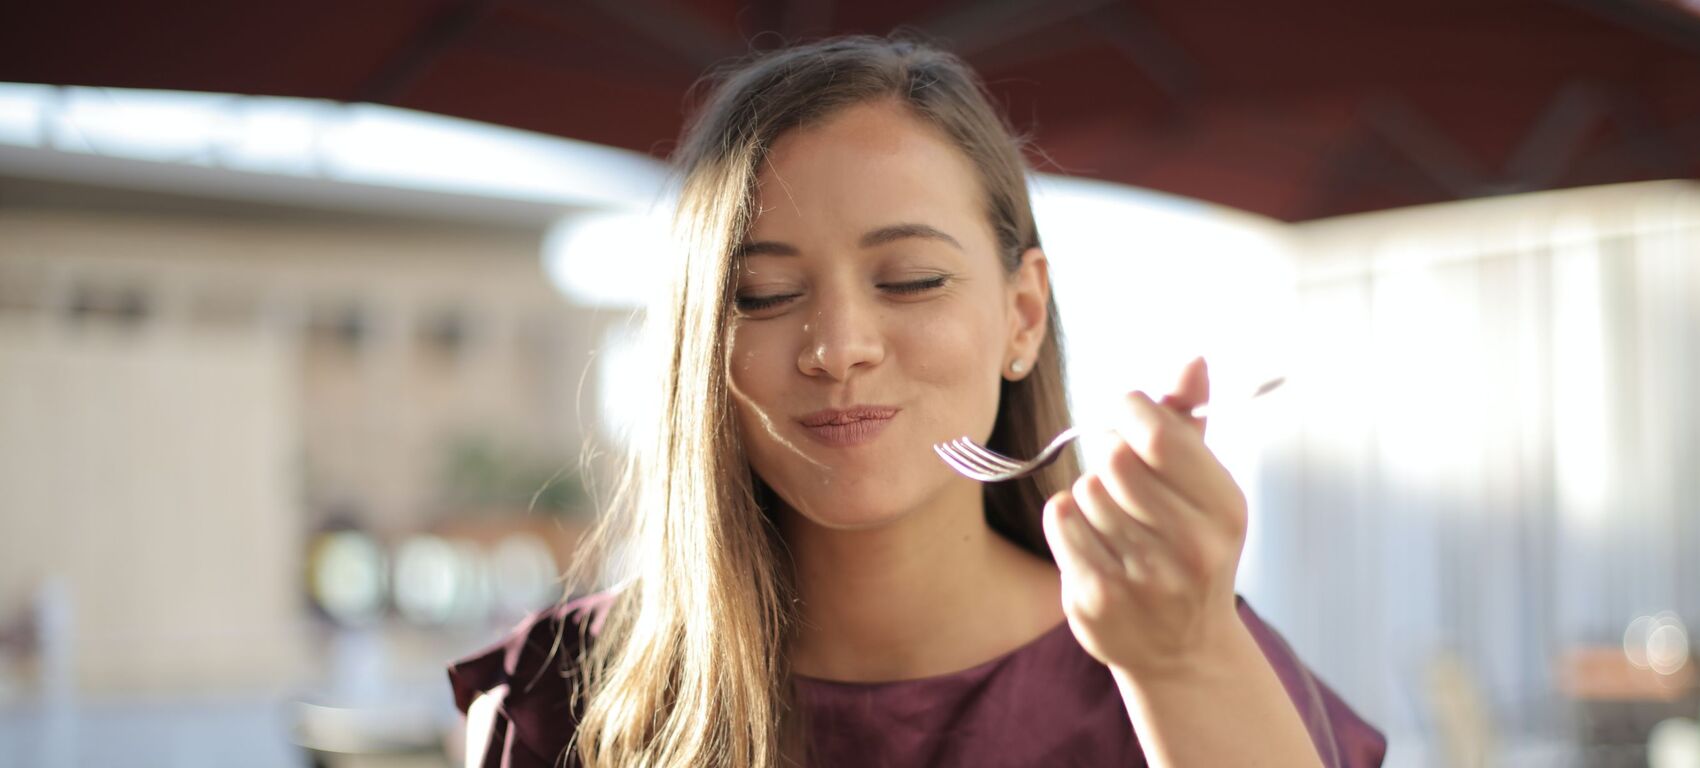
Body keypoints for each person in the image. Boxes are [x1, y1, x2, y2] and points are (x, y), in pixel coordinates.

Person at [447, 34, 1385, 768]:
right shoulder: (570, 694)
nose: (839, 348)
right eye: (764, 295)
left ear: (1023, 316)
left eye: (909, 280)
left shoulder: (1178, 643)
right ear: (700, 345)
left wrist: (1185, 665)